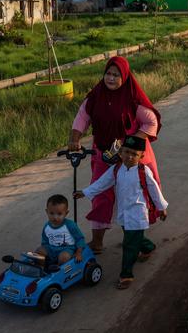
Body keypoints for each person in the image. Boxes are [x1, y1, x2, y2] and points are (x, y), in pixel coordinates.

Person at [68, 56, 162, 254]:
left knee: (134, 197)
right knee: (100, 194)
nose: (110, 78)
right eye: (108, 74)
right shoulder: (96, 96)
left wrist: (130, 142)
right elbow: (82, 117)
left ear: (125, 77)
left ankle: (139, 242)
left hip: (130, 157)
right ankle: (97, 242)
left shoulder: (132, 98)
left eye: (116, 75)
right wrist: (75, 139)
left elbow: (151, 121)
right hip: (104, 154)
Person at [74, 136, 168, 290]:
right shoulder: (116, 169)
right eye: (126, 152)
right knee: (134, 237)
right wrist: (84, 192)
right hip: (124, 212)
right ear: (121, 152)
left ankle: (126, 275)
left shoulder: (144, 171)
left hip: (138, 213)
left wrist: (161, 207)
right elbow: (102, 183)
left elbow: (154, 190)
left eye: (134, 154)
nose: (129, 157)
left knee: (129, 244)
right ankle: (148, 247)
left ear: (141, 156)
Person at [33, 194, 87, 265]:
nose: (55, 217)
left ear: (66, 213)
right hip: (51, 249)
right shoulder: (47, 226)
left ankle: (59, 272)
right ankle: (41, 269)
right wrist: (43, 250)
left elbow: (80, 239)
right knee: (38, 251)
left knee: (64, 257)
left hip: (66, 249)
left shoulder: (70, 225)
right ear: (47, 212)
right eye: (51, 213)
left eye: (59, 214)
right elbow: (45, 241)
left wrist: (78, 252)